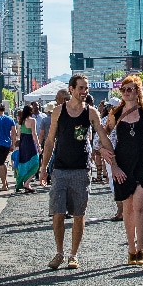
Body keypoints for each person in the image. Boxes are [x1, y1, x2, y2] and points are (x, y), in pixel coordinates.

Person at [39, 74, 106, 269]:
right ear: (71, 89)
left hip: (81, 168)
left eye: (86, 88)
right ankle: (59, 252)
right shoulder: (58, 112)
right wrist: (44, 167)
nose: (84, 91)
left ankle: (73, 254)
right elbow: (50, 140)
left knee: (79, 214)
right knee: (58, 213)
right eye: (81, 88)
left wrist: (112, 157)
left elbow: (101, 135)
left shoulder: (91, 112)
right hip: (60, 168)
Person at [104, 76, 143, 265]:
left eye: (130, 89)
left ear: (138, 91)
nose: (127, 92)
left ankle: (141, 246)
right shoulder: (116, 112)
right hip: (122, 162)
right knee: (128, 207)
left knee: (139, 204)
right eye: (124, 90)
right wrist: (109, 159)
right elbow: (103, 137)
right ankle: (131, 249)